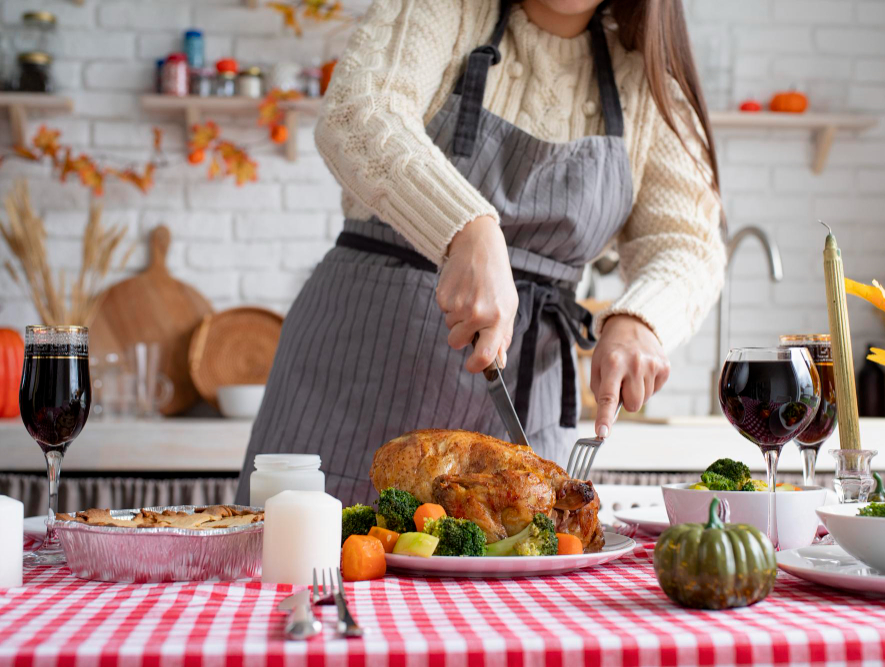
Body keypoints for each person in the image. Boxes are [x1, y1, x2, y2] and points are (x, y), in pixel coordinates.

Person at [235, 0, 726, 505]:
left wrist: (641, 320)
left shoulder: (646, 80)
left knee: (518, 569)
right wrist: (465, 228)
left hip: (525, 407)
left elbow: (686, 242)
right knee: (304, 571)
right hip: (352, 382)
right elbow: (358, 111)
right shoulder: (448, 9)